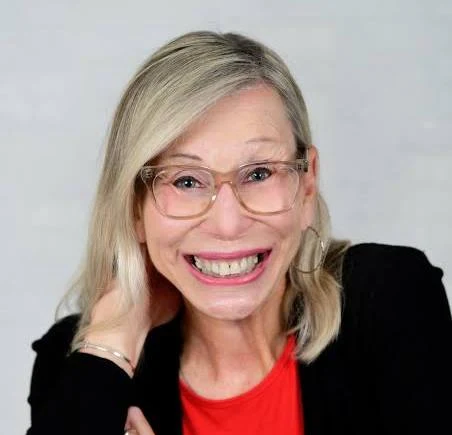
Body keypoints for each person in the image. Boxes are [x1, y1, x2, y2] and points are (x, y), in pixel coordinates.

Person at [27, 31, 451, 435]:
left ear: (307, 185)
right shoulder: (80, 366)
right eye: (186, 181)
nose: (228, 224)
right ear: (135, 206)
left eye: (259, 173)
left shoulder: (388, 297)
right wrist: (113, 339)